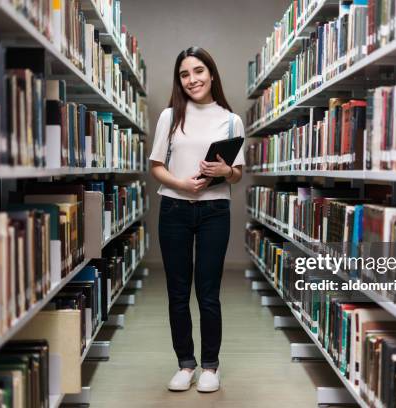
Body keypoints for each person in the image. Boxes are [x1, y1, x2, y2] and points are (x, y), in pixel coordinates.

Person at [148, 46, 245, 393]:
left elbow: (237, 175)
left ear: (212, 74)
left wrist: (226, 170)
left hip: (214, 211)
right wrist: (182, 183)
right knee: (177, 291)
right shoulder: (169, 116)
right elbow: (156, 166)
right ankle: (184, 364)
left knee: (208, 292)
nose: (193, 79)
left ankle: (210, 366)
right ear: (179, 80)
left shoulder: (231, 119)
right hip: (174, 209)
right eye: (185, 74)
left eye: (199, 71)